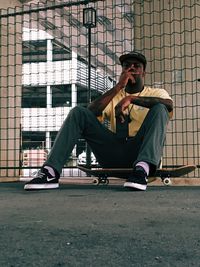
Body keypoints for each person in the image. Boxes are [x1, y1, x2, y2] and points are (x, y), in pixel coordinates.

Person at [24, 51, 173, 191]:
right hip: (113, 154)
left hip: (140, 153)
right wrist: (119, 87)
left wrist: (131, 98)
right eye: (127, 66)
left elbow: (168, 105)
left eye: (136, 66)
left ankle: (142, 169)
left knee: (160, 108)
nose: (131, 68)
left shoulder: (156, 92)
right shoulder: (113, 95)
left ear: (144, 72)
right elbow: (89, 113)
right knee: (78, 112)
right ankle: (50, 172)